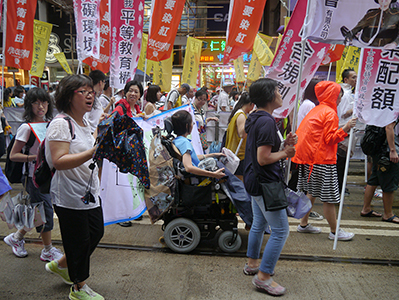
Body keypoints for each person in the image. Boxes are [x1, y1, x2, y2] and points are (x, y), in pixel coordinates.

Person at [44, 74, 104, 299]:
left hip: (88, 191)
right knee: (79, 241)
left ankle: (62, 264)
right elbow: (59, 161)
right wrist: (92, 152)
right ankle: (78, 288)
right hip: (69, 194)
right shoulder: (61, 123)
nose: (91, 95)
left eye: (92, 91)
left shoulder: (86, 122)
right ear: (69, 96)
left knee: (96, 232)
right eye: (84, 91)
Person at [243, 78, 297, 296]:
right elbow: (264, 158)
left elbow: (263, 151)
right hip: (265, 182)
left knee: (258, 223)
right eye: (277, 90)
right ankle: (264, 277)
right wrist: (286, 153)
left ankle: (252, 264)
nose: (280, 93)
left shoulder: (257, 117)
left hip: (255, 180)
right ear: (269, 95)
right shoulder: (266, 122)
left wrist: (283, 144)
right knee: (281, 231)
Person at [293, 81, 357, 241]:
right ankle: (335, 232)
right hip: (323, 160)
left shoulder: (317, 110)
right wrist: (346, 128)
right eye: (339, 96)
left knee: (311, 192)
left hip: (310, 160)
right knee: (330, 198)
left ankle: (303, 224)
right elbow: (330, 139)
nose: (341, 99)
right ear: (333, 96)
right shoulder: (330, 113)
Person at [4, 87, 61, 261]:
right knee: (44, 211)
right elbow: (13, 155)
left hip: (47, 175)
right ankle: (47, 249)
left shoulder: (49, 123)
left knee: (37, 210)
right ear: (29, 105)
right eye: (36, 102)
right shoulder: (26, 128)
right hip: (33, 176)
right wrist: (34, 158)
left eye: (44, 102)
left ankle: (16, 238)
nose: (41, 106)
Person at [112, 80, 144, 226]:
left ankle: (132, 211)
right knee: (121, 184)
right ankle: (120, 215)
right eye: (130, 90)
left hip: (133, 152)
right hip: (121, 152)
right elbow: (112, 127)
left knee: (131, 182)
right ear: (125, 92)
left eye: (136, 91)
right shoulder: (120, 108)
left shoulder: (137, 109)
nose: (133, 93)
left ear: (140, 95)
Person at [361, 118, 399, 223]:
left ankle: (366, 208)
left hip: (377, 148)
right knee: (389, 182)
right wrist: (392, 150)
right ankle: (388, 214)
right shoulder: (394, 107)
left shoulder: (381, 107)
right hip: (387, 151)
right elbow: (389, 127)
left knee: (374, 179)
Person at [171, 110, 226, 179]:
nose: (193, 124)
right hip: (198, 177)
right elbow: (188, 167)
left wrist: (213, 154)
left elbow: (192, 158)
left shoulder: (177, 141)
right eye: (192, 123)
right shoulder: (184, 143)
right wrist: (213, 174)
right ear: (187, 126)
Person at [225, 92, 254, 181]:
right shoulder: (241, 115)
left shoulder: (238, 112)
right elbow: (242, 134)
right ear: (251, 104)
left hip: (235, 153)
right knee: (239, 182)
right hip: (239, 155)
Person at [337, 69, 357, 195]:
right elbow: (342, 114)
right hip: (343, 131)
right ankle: (339, 187)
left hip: (346, 130)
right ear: (346, 80)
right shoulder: (344, 94)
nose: (356, 80)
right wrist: (354, 109)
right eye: (353, 77)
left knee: (342, 162)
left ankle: (341, 185)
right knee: (340, 161)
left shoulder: (349, 93)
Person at [84, 70, 106, 134]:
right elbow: (85, 117)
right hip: (92, 133)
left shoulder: (95, 97)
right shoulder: (90, 98)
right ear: (100, 82)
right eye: (104, 82)